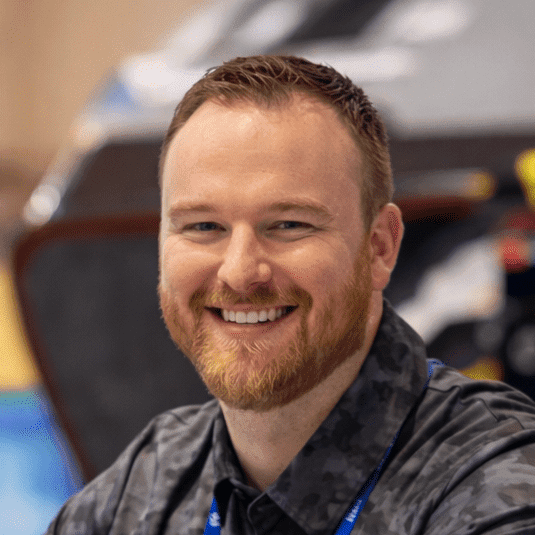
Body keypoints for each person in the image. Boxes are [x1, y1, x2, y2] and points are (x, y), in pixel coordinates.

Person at [45, 55, 535, 535]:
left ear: (380, 248)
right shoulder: (142, 492)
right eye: (202, 226)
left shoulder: (497, 486)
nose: (239, 272)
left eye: (288, 225)